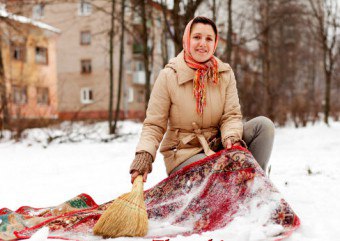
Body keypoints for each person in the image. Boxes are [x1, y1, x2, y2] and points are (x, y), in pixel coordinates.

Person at [130, 16, 275, 184]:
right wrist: (144, 155)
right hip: (184, 153)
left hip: (217, 146)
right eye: (197, 37)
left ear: (215, 43)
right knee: (215, 167)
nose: (203, 43)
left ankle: (255, 185)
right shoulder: (169, 76)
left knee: (264, 126)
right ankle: (230, 186)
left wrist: (232, 139)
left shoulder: (224, 74)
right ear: (187, 39)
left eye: (209, 39)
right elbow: (154, 125)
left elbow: (231, 115)